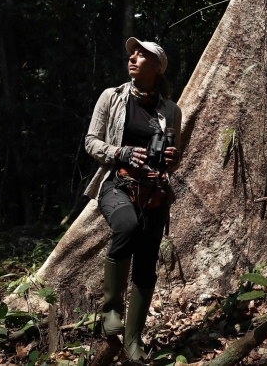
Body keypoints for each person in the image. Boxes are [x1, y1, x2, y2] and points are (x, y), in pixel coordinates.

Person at [83, 38, 182, 361]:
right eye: (133, 54)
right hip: (118, 184)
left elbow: (171, 154)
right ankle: (111, 311)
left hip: (154, 192)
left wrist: (172, 155)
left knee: (147, 263)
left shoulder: (170, 110)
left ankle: (134, 340)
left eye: (143, 56)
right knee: (125, 227)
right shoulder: (112, 98)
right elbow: (91, 142)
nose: (134, 58)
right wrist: (120, 152)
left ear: (157, 68)